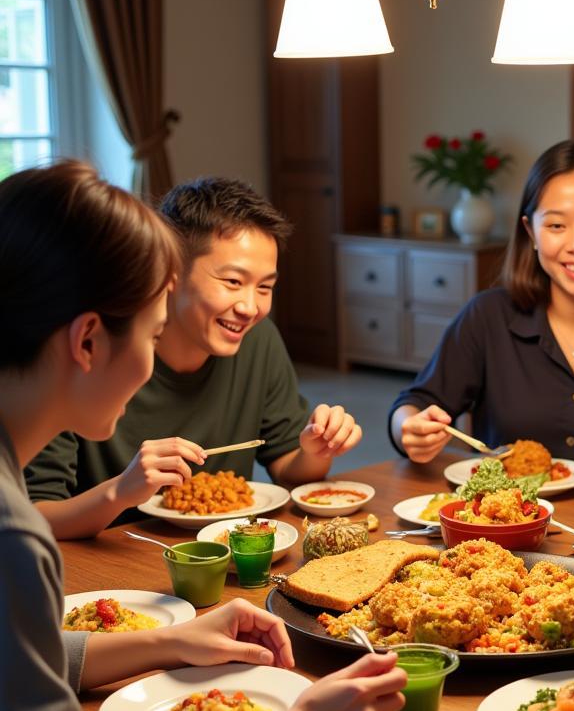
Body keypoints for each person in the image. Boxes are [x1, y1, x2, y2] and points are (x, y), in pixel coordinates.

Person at [0, 161, 407, 711]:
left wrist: (171, 641)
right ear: (89, 340)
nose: (155, 356)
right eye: (153, 331)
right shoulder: (15, 536)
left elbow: (16, 657)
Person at [25, 176, 362, 538]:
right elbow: (32, 517)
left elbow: (287, 465)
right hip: (103, 565)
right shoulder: (96, 349)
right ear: (171, 271)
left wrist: (318, 448)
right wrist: (121, 491)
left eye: (265, 287)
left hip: (222, 554)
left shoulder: (257, 339)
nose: (250, 307)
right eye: (233, 281)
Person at [389, 140, 574, 479]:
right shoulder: (488, 317)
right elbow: (415, 403)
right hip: (504, 521)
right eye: (556, 226)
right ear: (530, 231)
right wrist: (409, 429)